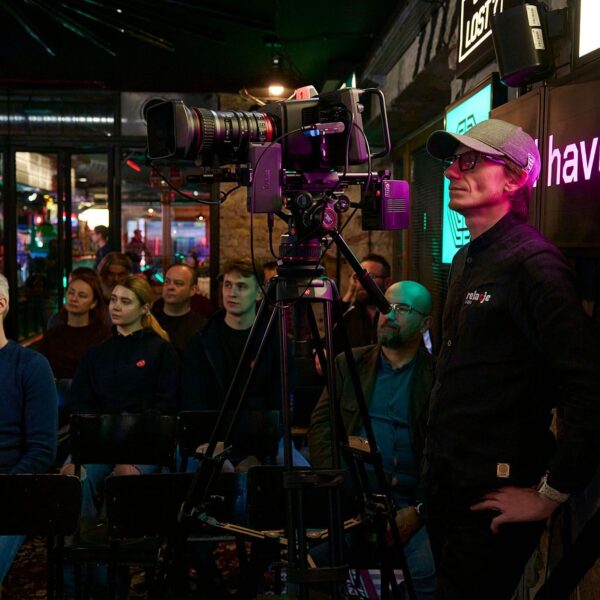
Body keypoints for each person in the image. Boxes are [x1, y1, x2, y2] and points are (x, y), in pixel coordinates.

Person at [423, 118, 600, 599]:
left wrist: (548, 495)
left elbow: (588, 387)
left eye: (469, 161)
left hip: (493, 498)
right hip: (448, 487)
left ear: (515, 178)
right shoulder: (465, 258)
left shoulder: (534, 264)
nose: (451, 173)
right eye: (452, 162)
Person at [308, 281, 436, 599]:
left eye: (402, 309)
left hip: (410, 505)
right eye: (384, 305)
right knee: (308, 566)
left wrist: (419, 510)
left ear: (425, 323)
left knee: (426, 575)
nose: (388, 314)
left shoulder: (437, 378)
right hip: (354, 501)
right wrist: (340, 484)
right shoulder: (349, 364)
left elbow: (448, 453)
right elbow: (321, 428)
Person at [181, 258, 306, 468]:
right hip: (213, 436)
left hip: (263, 438)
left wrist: (257, 452)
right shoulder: (202, 341)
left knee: (301, 473)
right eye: (228, 285)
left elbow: (281, 403)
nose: (232, 293)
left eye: (241, 286)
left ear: (258, 293)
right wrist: (213, 448)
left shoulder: (274, 341)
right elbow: (193, 402)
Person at [0, 273, 57, 583]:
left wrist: (8, 484)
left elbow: (41, 450)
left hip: (10, 485)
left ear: (1, 304)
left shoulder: (30, 366)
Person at [39, 270, 111, 379]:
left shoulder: (103, 336)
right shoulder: (52, 334)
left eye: (82, 295)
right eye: (71, 293)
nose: (74, 299)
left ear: (93, 303)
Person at [337, 253, 392, 349]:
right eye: (357, 277)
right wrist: (350, 292)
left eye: (370, 277)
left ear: (387, 282)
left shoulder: (394, 315)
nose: (361, 282)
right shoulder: (350, 314)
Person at [151, 263, 207, 356]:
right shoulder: (149, 322)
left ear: (193, 290)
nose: (170, 287)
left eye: (178, 283)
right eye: (167, 282)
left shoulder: (202, 328)